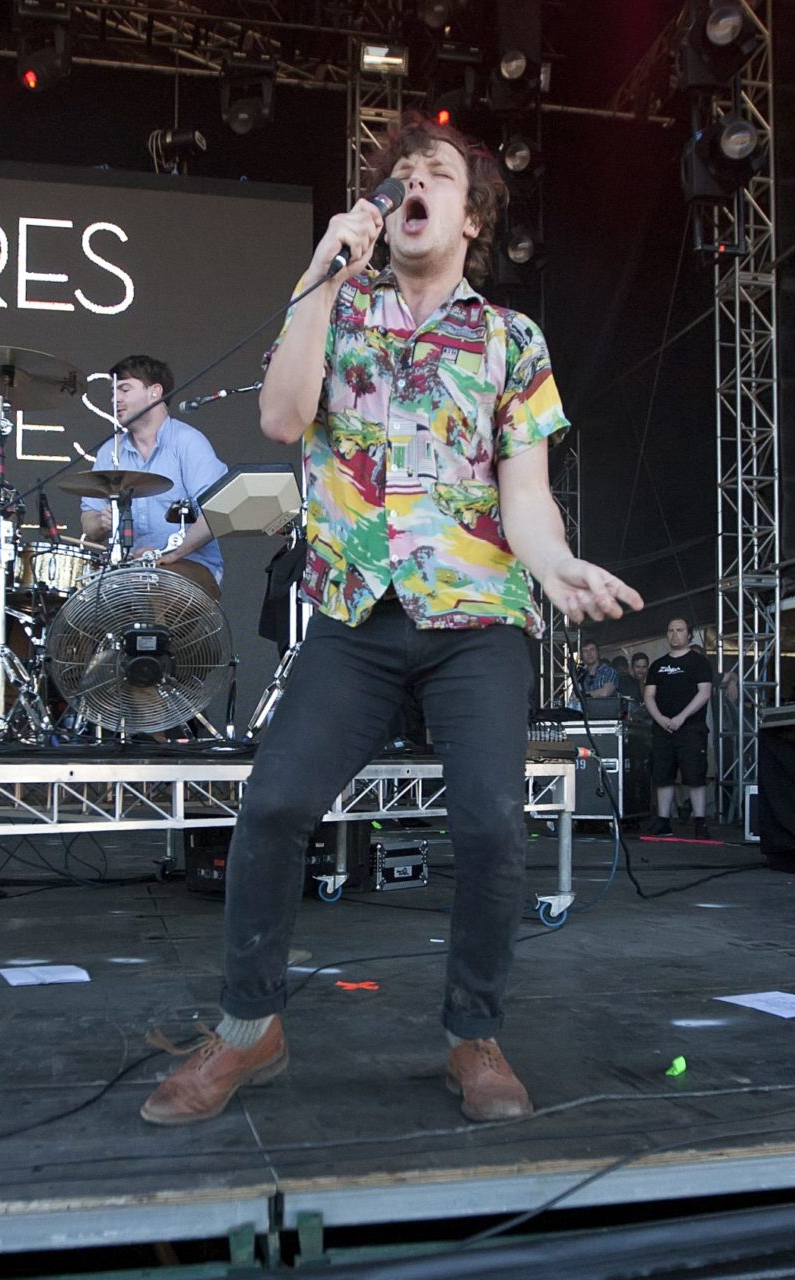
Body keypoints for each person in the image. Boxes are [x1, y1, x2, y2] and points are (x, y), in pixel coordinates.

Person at [139, 114, 640, 1129]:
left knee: (494, 821)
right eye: (398, 174)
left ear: (472, 215)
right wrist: (320, 275)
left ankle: (472, 1032)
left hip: (477, 617)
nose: (412, 185)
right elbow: (282, 420)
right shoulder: (338, 303)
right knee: (275, 807)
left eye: (436, 175)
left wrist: (556, 568)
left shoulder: (511, 339)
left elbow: (527, 496)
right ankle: (249, 1030)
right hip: (355, 612)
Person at [78, 355, 228, 597]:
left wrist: (168, 555)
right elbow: (89, 523)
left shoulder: (187, 442)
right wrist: (102, 523)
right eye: (113, 392)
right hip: (128, 573)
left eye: (124, 389)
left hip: (190, 568)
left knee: (155, 588)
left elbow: (216, 513)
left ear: (155, 392)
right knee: (82, 607)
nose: (116, 399)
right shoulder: (110, 451)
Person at [644, 617, 714, 839]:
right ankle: (663, 822)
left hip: (691, 728)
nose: (674, 634)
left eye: (679, 630)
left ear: (689, 635)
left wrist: (681, 717)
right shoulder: (657, 665)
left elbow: (704, 693)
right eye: (671, 630)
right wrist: (661, 719)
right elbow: (649, 696)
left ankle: (700, 823)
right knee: (663, 776)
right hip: (663, 728)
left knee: (695, 776)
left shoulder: (699, 662)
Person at [570, 640, 618, 708]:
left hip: (606, 714)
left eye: (592, 650)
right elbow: (574, 696)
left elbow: (605, 692)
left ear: (598, 652)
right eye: (585, 651)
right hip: (586, 715)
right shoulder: (581, 674)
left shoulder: (609, 671)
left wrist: (583, 695)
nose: (589, 654)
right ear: (581, 655)